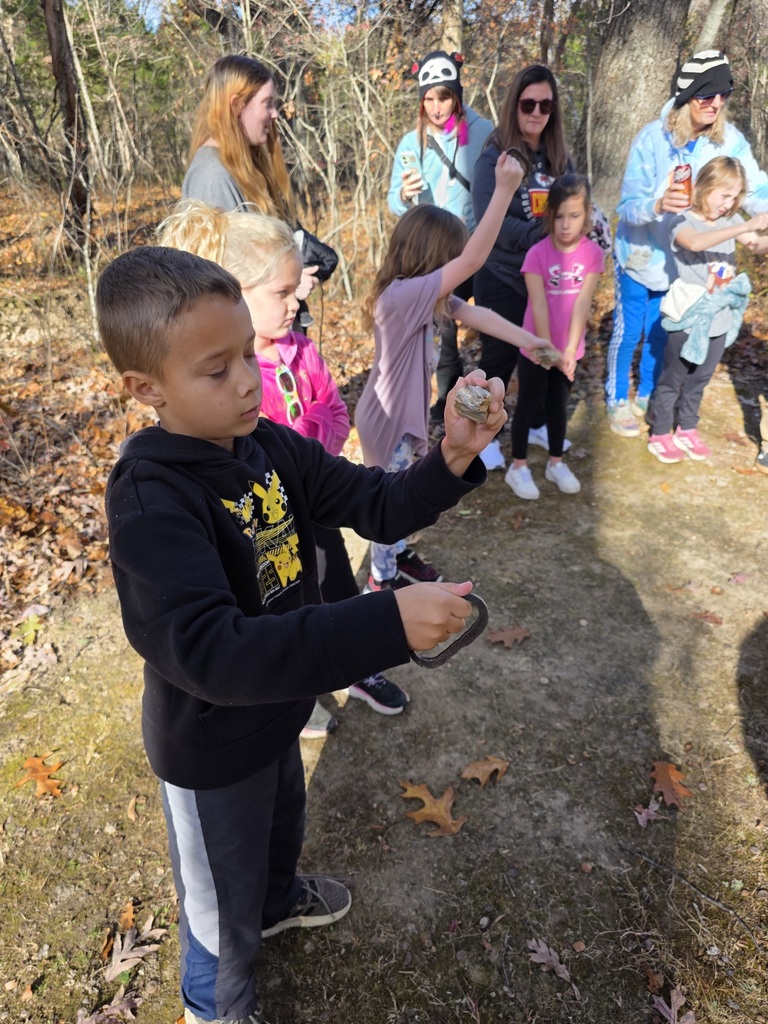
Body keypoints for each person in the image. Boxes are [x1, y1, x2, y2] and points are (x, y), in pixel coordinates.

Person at [97, 244, 507, 1024]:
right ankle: (216, 1008)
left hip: (281, 709)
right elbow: (215, 654)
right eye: (216, 370)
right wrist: (386, 623)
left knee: (283, 824)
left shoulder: (267, 445)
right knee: (220, 913)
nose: (248, 380)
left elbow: (375, 502)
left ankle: (279, 900)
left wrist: (453, 455)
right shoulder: (151, 499)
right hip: (212, 749)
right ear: (146, 388)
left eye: (247, 353)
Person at [157, 201, 410, 737]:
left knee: (334, 585)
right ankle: (299, 693)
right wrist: (298, 446)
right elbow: (251, 457)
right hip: (266, 525)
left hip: (315, 507)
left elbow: (333, 415)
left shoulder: (301, 350)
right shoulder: (233, 383)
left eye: (298, 290)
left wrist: (300, 449)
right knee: (279, 609)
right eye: (282, 292)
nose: (297, 302)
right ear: (235, 295)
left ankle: (357, 670)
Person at [356, 152, 554, 591]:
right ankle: (380, 579)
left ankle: (398, 554)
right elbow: (472, 262)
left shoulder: (425, 298)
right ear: (432, 256)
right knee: (387, 502)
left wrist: (531, 341)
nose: (455, 269)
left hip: (399, 416)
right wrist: (504, 190)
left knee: (400, 492)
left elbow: (478, 315)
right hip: (386, 420)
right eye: (450, 258)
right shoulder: (401, 296)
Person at [606, 49, 768, 437]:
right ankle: (616, 398)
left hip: (684, 267)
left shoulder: (728, 141)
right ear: (687, 96)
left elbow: (755, 189)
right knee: (629, 333)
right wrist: (658, 204)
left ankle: (647, 393)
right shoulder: (652, 139)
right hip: (640, 256)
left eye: (723, 95)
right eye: (706, 95)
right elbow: (626, 207)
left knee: (662, 333)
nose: (716, 104)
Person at [471, 64, 574, 471]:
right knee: (497, 361)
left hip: (547, 282)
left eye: (545, 105)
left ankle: (537, 423)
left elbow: (574, 209)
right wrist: (549, 231)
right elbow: (495, 226)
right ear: (514, 104)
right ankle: (479, 436)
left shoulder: (558, 158)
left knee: (543, 357)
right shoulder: (494, 158)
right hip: (502, 277)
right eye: (528, 104)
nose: (536, 113)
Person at [388, 50, 492, 423]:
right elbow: (393, 200)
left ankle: (490, 396)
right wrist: (404, 195)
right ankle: (447, 402)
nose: (435, 107)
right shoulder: (411, 143)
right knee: (445, 332)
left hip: (479, 247)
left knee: (489, 323)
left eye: (444, 97)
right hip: (436, 255)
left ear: (456, 96)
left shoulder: (482, 132)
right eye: (428, 98)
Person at [182, 54, 319, 328]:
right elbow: (221, 281)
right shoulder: (212, 175)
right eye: (267, 103)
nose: (275, 114)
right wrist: (287, 286)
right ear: (237, 106)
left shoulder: (243, 166)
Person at [646, 157, 768, 462]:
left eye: (734, 198)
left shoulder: (730, 220)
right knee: (674, 378)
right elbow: (696, 243)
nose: (728, 204)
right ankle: (660, 431)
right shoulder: (681, 220)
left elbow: (755, 244)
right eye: (723, 196)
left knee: (700, 378)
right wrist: (745, 225)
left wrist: (751, 231)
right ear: (704, 187)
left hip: (719, 319)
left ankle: (686, 427)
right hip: (687, 319)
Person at [505, 174, 605, 499]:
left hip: (568, 351)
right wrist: (548, 350)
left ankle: (556, 463)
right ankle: (518, 466)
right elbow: (538, 305)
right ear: (549, 215)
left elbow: (582, 305)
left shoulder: (592, 254)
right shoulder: (537, 254)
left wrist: (570, 351)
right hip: (536, 347)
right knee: (527, 404)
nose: (565, 224)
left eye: (574, 216)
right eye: (559, 216)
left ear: (587, 214)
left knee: (558, 406)